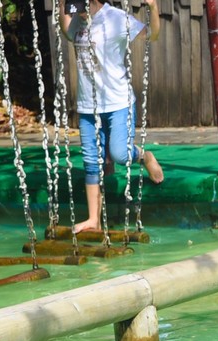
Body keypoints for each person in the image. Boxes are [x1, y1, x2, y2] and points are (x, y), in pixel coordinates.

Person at [60, 0, 163, 234]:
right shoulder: (78, 18)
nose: (81, 15)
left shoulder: (116, 18)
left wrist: (154, 9)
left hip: (118, 102)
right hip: (88, 105)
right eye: (75, 11)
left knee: (119, 154)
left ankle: (143, 155)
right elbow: (68, 32)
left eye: (83, 9)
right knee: (90, 162)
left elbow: (152, 36)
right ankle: (93, 219)